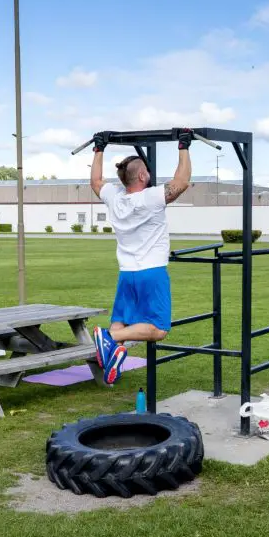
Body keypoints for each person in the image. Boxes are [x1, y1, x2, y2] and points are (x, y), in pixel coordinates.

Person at [89, 128, 193, 385]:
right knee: (158, 329)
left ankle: (115, 355)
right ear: (144, 175)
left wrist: (99, 149)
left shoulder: (115, 197)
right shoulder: (150, 198)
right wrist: (183, 146)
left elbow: (96, 182)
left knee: (121, 325)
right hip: (152, 273)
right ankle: (109, 340)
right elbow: (181, 182)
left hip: (127, 273)